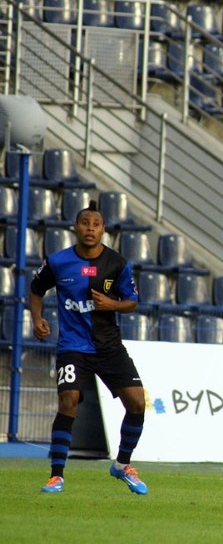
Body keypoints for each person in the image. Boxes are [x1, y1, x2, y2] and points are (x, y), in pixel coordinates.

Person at [31, 201, 147, 495]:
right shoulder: (58, 262)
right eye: (85, 223)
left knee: (136, 403)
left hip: (109, 347)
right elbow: (36, 289)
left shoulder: (117, 263)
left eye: (96, 224)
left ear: (103, 229)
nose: (90, 228)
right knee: (68, 401)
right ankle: (56, 475)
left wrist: (113, 305)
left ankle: (122, 465)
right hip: (73, 347)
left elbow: (132, 301)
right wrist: (38, 318)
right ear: (76, 227)